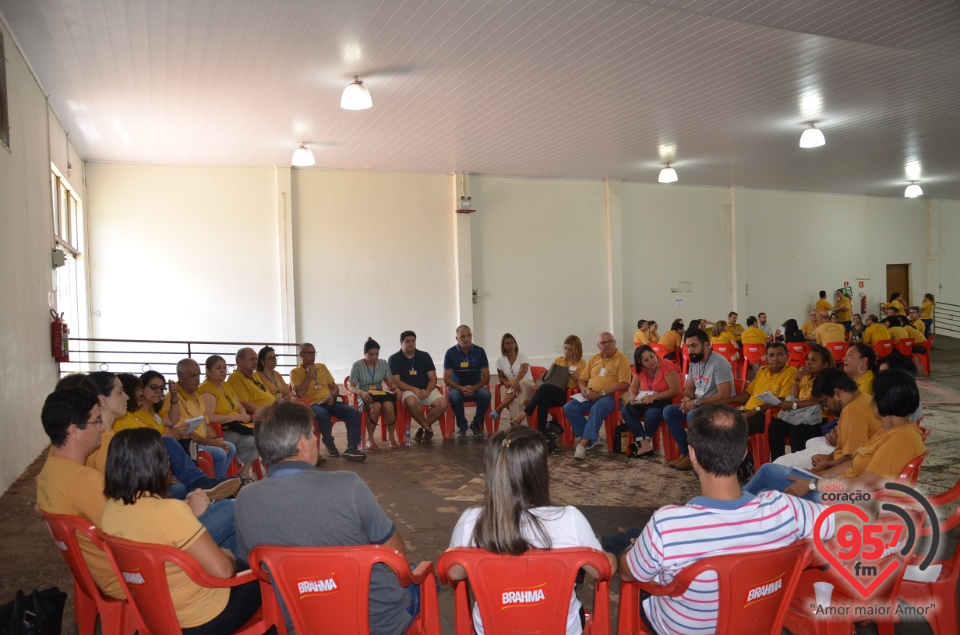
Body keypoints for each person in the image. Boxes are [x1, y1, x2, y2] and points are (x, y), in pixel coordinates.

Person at [617, 404, 835, 635]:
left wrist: (628, 552)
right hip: (756, 625)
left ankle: (630, 544)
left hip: (681, 629)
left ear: (692, 453)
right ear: (743, 454)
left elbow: (628, 573)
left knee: (622, 547)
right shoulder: (785, 509)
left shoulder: (668, 525)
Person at [235, 401, 419, 634]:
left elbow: (254, 565)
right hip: (376, 622)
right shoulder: (347, 485)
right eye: (312, 435)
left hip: (304, 622)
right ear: (302, 443)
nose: (315, 441)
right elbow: (396, 556)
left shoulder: (245, 499)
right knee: (421, 578)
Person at [448, 426, 615, 635]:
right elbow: (602, 570)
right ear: (540, 473)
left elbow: (453, 573)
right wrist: (610, 556)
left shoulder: (472, 521)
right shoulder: (570, 518)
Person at [101, 428, 261, 634]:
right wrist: (227, 556)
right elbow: (223, 571)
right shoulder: (169, 512)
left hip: (155, 613)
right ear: (157, 464)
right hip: (202, 617)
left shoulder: (110, 512)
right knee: (266, 574)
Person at [745, 370, 924, 501]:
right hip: (841, 490)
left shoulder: (899, 440)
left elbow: (864, 484)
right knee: (775, 475)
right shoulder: (887, 431)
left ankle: (734, 509)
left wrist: (812, 485)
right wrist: (815, 475)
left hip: (849, 501)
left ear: (883, 402)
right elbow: (851, 463)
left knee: (769, 473)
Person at [36, 387, 125, 600]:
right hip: (124, 577)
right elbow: (131, 533)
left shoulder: (49, 471)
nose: (102, 427)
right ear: (73, 430)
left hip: (91, 575)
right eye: (96, 421)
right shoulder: (84, 480)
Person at [113, 373, 239, 501]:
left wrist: (174, 397)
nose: (158, 392)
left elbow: (172, 420)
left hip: (162, 460)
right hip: (151, 465)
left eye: (162, 388)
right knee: (170, 443)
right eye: (153, 387)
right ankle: (202, 486)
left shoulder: (151, 412)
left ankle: (207, 487)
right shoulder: (124, 420)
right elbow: (138, 451)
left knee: (225, 449)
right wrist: (158, 475)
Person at [662, 329, 735, 471]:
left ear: (706, 344)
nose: (690, 350)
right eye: (688, 346)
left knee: (692, 415)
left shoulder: (719, 363)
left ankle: (694, 456)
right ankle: (685, 452)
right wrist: (686, 399)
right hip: (700, 405)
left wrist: (695, 403)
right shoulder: (694, 362)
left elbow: (725, 395)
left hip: (719, 407)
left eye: (694, 345)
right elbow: (689, 387)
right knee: (668, 411)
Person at [162, 359, 237, 479]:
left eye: (198, 375)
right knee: (219, 453)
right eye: (192, 376)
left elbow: (205, 423)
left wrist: (216, 439)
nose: (197, 379)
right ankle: (212, 486)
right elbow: (185, 432)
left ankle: (217, 482)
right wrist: (212, 443)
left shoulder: (197, 394)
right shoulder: (173, 398)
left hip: (202, 442)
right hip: (187, 444)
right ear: (181, 377)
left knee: (229, 447)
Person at [291, 342, 365, 460]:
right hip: (312, 405)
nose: (312, 356)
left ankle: (352, 448)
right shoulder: (295, 372)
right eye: (309, 353)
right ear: (301, 355)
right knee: (323, 415)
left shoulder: (322, 367)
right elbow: (299, 393)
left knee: (354, 413)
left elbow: (334, 387)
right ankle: (329, 444)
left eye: (314, 353)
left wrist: (333, 396)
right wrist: (309, 374)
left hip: (329, 401)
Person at [563, 332, 631, 461]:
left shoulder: (622, 359)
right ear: (598, 345)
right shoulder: (594, 359)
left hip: (610, 397)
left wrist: (602, 393)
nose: (607, 345)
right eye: (603, 343)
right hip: (590, 394)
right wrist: (583, 389)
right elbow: (582, 379)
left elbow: (624, 383)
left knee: (598, 407)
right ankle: (591, 439)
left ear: (615, 342)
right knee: (569, 407)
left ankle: (583, 444)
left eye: (610, 341)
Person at [769, 344, 834, 460]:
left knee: (797, 432)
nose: (808, 363)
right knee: (775, 426)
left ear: (825, 364)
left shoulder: (828, 379)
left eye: (814, 360)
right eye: (807, 359)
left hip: (817, 420)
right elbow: (794, 396)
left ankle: (799, 464)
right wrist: (796, 380)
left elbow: (817, 401)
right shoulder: (807, 377)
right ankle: (777, 461)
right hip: (800, 417)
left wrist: (793, 405)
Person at [199, 355, 258, 482]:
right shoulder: (207, 389)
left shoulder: (225, 385)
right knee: (252, 440)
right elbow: (210, 417)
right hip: (221, 430)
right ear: (208, 371)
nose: (222, 371)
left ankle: (243, 471)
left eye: (224, 368)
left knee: (261, 434)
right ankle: (237, 472)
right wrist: (236, 417)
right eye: (218, 368)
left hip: (237, 425)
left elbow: (239, 405)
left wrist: (243, 416)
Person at [512, 335, 586, 431]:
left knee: (545, 388)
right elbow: (551, 375)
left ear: (576, 350)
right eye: (565, 348)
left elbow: (583, 380)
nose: (566, 352)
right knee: (544, 400)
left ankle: (524, 413)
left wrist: (570, 372)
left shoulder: (582, 363)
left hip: (568, 394)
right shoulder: (559, 360)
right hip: (553, 389)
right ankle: (540, 433)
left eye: (570, 350)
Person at [620, 345, 680, 457]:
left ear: (655, 354)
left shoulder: (666, 366)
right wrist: (633, 395)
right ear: (641, 362)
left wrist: (654, 397)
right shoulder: (640, 370)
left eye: (652, 356)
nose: (651, 361)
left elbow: (675, 390)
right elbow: (633, 387)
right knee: (626, 411)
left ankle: (645, 442)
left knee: (652, 414)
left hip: (664, 401)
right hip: (647, 400)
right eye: (646, 360)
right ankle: (644, 443)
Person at [388, 330, 448, 443]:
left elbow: (433, 378)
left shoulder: (424, 356)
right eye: (407, 341)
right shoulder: (394, 359)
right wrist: (414, 389)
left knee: (443, 403)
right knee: (411, 402)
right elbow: (397, 381)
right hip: (407, 390)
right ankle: (428, 429)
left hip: (426, 390)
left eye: (413, 341)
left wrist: (427, 390)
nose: (411, 344)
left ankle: (422, 428)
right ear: (401, 342)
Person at [726, 342, 796, 437]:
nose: (775, 358)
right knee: (719, 423)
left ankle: (739, 451)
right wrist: (726, 401)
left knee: (734, 429)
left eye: (780, 354)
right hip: (747, 412)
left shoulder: (791, 372)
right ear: (766, 358)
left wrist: (754, 411)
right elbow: (747, 394)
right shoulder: (762, 370)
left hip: (766, 415)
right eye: (771, 355)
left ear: (787, 356)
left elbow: (782, 400)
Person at [349, 337, 400, 450]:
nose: (374, 357)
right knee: (375, 406)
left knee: (389, 405)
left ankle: (391, 437)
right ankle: (370, 439)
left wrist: (395, 388)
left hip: (380, 394)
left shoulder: (383, 363)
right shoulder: (357, 365)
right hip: (365, 395)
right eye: (371, 354)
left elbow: (390, 383)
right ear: (365, 353)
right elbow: (351, 386)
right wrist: (361, 392)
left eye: (376, 354)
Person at [443, 325, 491, 438]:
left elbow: (486, 377)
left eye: (468, 335)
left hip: (476, 387)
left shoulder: (480, 351)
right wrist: (461, 388)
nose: (466, 339)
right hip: (457, 388)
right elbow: (446, 379)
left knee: (486, 394)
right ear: (456, 338)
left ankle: (476, 424)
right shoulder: (450, 353)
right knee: (454, 396)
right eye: (462, 336)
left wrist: (473, 388)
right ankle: (462, 426)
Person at [78, 372, 129, 473]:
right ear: (102, 400)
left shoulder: (106, 434)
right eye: (120, 392)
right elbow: (116, 485)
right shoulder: (104, 440)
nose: (127, 397)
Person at [491, 333, 534, 423]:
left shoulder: (522, 356)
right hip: (515, 390)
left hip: (528, 386)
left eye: (512, 342)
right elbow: (501, 378)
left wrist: (516, 382)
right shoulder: (500, 360)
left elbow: (523, 371)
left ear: (515, 344)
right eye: (507, 343)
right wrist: (506, 382)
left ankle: (499, 409)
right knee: (514, 401)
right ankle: (516, 426)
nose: (510, 345)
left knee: (521, 383)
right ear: (503, 346)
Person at [227, 347, 275, 415]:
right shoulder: (235, 377)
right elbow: (244, 403)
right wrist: (264, 414)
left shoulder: (255, 376)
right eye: (251, 359)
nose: (255, 362)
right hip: (262, 417)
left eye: (256, 359)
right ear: (239, 361)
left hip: (273, 412)